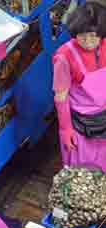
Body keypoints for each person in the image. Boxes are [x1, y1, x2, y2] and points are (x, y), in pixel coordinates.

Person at [53, 1, 106, 170]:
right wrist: (66, 129)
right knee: (83, 171)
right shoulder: (64, 57)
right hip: (82, 122)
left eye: (93, 35)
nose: (88, 41)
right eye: (82, 35)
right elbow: (61, 96)